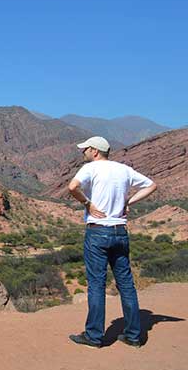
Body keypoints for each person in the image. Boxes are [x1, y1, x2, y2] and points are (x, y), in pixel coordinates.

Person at [66, 136, 157, 348]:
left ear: (95, 151)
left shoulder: (91, 168)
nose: (83, 153)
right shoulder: (123, 170)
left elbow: (72, 187)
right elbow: (152, 185)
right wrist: (128, 200)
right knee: (126, 284)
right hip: (120, 232)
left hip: (97, 232)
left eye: (85, 149)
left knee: (96, 284)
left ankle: (94, 336)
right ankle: (134, 336)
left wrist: (87, 203)